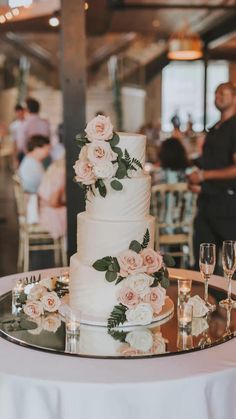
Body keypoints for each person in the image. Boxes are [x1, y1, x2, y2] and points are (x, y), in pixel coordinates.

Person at [188, 82, 236, 270]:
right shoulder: (215, 127)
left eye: (222, 93)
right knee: (204, 261)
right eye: (215, 93)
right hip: (207, 202)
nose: (217, 96)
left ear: (234, 97)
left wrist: (204, 176)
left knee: (230, 262)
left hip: (229, 205)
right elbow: (211, 161)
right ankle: (209, 299)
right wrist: (198, 181)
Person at [38, 157, 66, 240]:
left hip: (42, 211)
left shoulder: (53, 167)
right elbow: (53, 203)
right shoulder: (61, 173)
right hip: (51, 216)